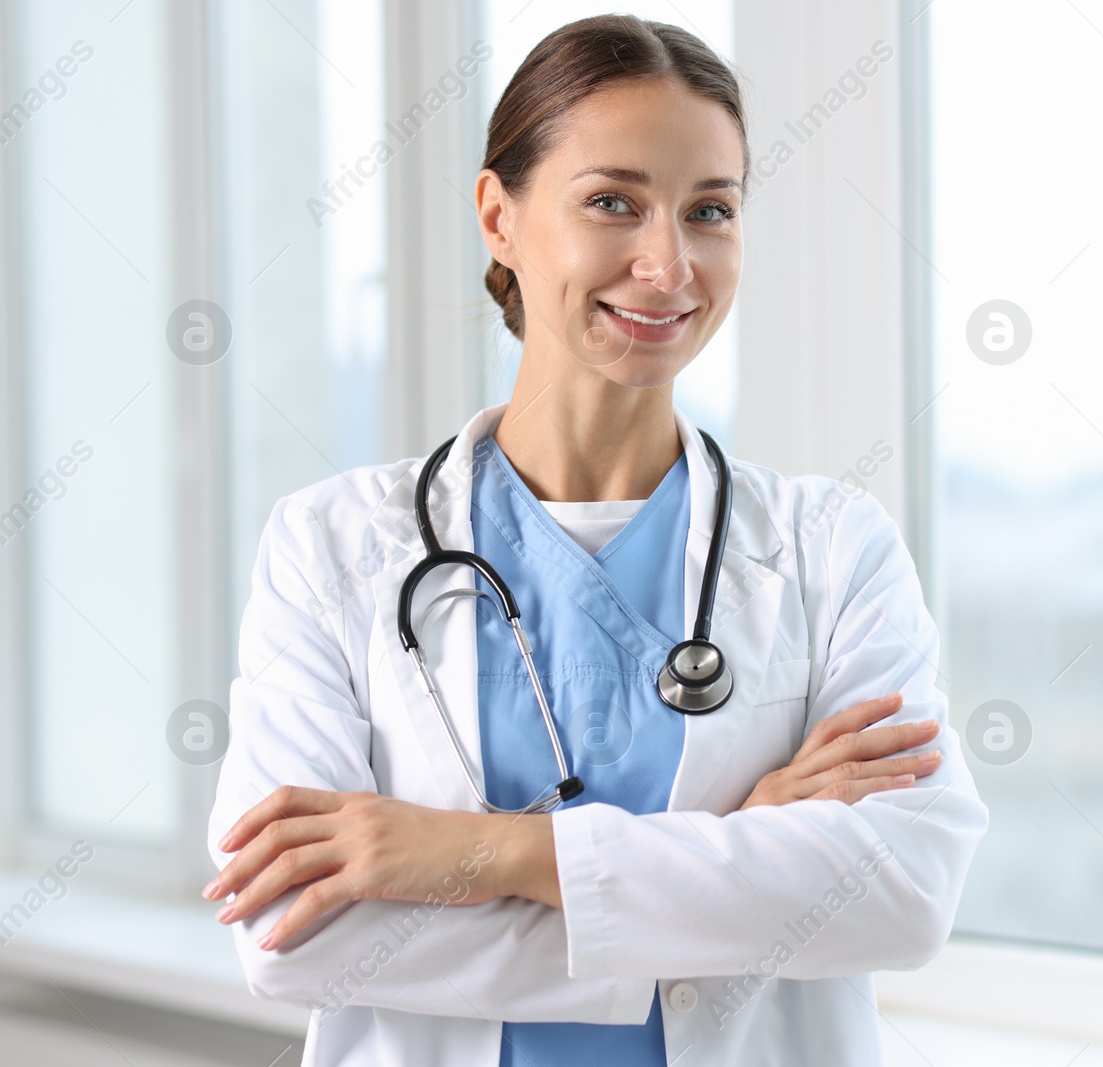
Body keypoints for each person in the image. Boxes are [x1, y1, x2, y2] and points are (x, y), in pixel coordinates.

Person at [203, 14, 988, 1067]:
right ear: (499, 215)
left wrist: (485, 851)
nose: (667, 264)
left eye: (709, 210)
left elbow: (903, 889)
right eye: (612, 202)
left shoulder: (829, 549)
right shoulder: (332, 545)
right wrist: (731, 865)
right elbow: (296, 927)